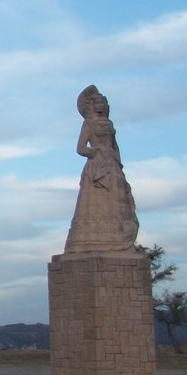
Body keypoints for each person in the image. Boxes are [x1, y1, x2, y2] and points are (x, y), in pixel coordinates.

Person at [65, 85, 140, 253]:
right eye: (97, 102)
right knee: (94, 205)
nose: (100, 105)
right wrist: (97, 152)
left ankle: (119, 239)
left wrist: (118, 165)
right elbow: (81, 148)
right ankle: (91, 240)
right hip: (97, 168)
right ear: (91, 106)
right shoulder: (88, 123)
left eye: (103, 102)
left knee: (118, 202)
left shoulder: (109, 123)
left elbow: (115, 146)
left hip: (112, 167)